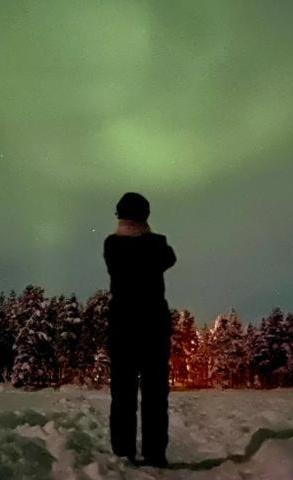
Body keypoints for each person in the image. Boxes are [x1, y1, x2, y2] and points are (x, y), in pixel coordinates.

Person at [103, 191, 177, 467]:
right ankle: (155, 453)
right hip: (154, 328)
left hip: (122, 327)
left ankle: (123, 452)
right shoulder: (156, 244)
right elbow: (170, 258)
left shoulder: (112, 245)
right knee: (155, 395)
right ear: (145, 216)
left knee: (122, 394)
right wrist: (149, 233)